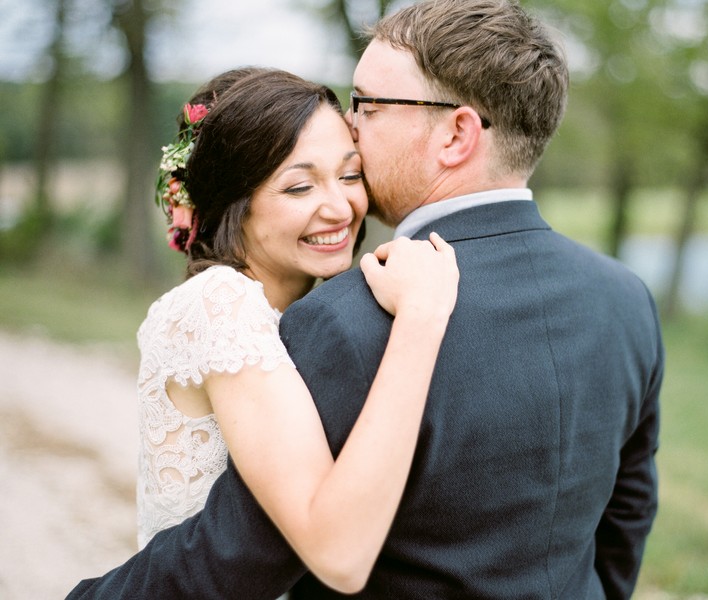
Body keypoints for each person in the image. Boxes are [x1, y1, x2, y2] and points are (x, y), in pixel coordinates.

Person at [68, 1, 663, 599]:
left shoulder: (343, 321)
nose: (350, 123)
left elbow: (238, 556)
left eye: (368, 107)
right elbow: (627, 518)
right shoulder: (626, 300)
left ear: (457, 134)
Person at [79, 66, 460, 594]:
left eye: (349, 176)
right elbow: (341, 554)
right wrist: (421, 318)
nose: (339, 207)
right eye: (299, 186)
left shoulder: (295, 306)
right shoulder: (220, 304)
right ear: (234, 199)